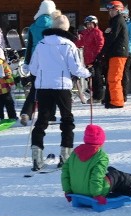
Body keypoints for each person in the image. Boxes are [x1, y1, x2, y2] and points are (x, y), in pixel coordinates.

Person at [26, 14, 90, 170]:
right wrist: (88, 73)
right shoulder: (68, 45)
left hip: (43, 86)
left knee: (42, 121)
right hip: (62, 86)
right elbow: (75, 68)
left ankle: (37, 154)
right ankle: (65, 154)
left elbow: (33, 68)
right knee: (67, 120)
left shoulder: (41, 43)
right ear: (66, 28)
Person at [61, 124, 131, 205]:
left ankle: (120, 186)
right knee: (117, 176)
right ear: (101, 141)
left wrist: (68, 191)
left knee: (109, 176)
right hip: (93, 192)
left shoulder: (75, 153)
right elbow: (96, 176)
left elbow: (65, 171)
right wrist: (97, 194)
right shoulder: (100, 156)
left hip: (75, 191)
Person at [19, 0, 57, 125]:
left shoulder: (33, 26)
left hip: (36, 59)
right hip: (51, 60)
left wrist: (26, 62)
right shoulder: (55, 24)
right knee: (51, 88)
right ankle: (50, 114)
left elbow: (29, 46)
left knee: (35, 88)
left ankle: (26, 112)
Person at [100, 0, 129, 108]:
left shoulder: (118, 21)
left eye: (113, 10)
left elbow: (112, 37)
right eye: (110, 10)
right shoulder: (114, 21)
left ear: (119, 11)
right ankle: (111, 99)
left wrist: (103, 51)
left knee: (114, 78)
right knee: (112, 77)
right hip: (114, 53)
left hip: (118, 52)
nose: (111, 12)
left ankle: (117, 101)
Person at [76, 15, 105, 101]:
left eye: (91, 24)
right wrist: (73, 43)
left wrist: (97, 56)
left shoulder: (97, 32)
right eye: (87, 24)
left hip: (96, 59)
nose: (89, 26)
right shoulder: (86, 33)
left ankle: (98, 96)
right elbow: (81, 43)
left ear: (95, 24)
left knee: (97, 78)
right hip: (88, 59)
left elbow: (100, 44)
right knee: (90, 78)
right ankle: (94, 95)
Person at [122, 8, 131, 98]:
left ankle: (125, 93)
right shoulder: (119, 24)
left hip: (127, 51)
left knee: (124, 71)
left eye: (123, 15)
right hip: (119, 51)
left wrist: (123, 45)